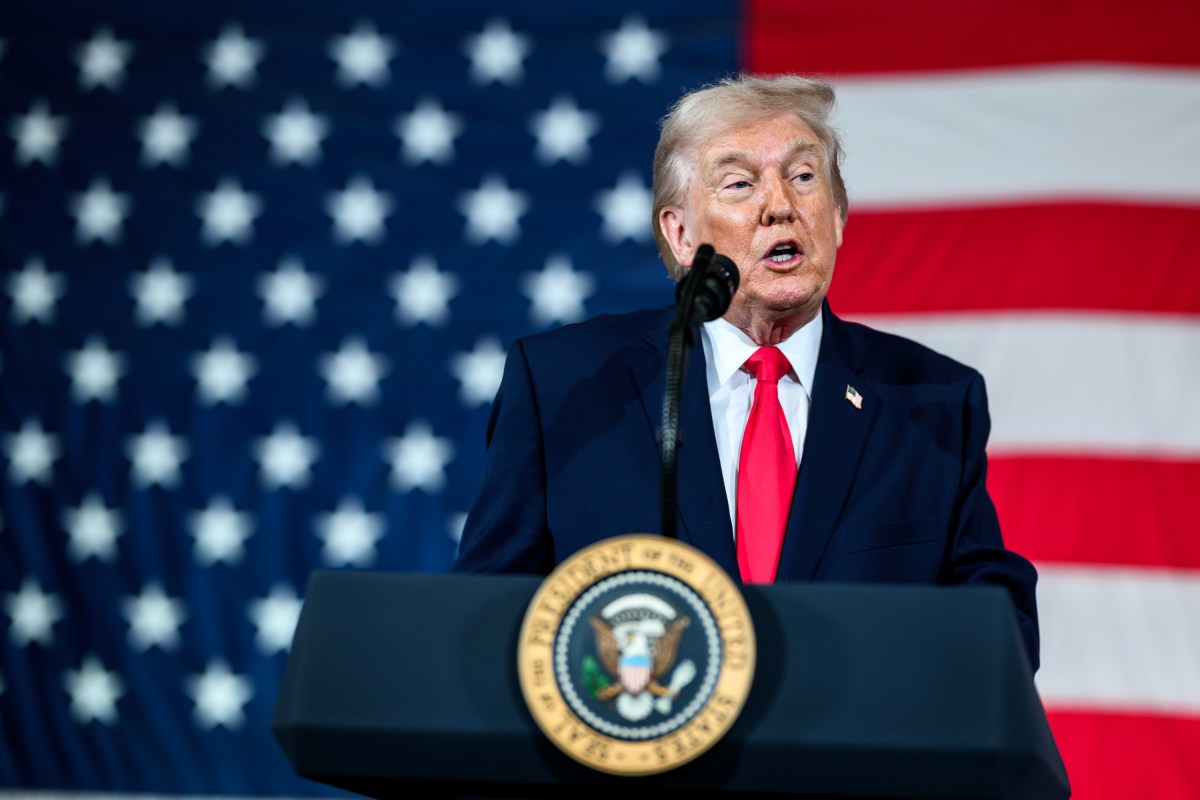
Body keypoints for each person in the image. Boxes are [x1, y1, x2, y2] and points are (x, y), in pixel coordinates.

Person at [453, 74, 1039, 671]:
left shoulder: (932, 400)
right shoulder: (566, 386)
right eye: (739, 183)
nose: (780, 205)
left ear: (836, 217)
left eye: (804, 177)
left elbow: (996, 622)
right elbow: (486, 612)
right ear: (681, 235)